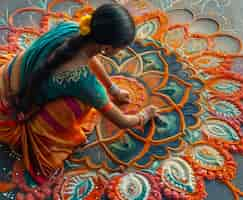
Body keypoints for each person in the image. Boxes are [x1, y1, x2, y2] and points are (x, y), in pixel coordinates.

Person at [0, 3, 158, 184]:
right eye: (121, 48)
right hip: (10, 106)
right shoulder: (84, 83)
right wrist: (145, 115)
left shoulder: (72, 28)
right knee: (80, 103)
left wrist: (112, 88)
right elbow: (122, 122)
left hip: (7, 78)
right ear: (107, 47)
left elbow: (88, 56)